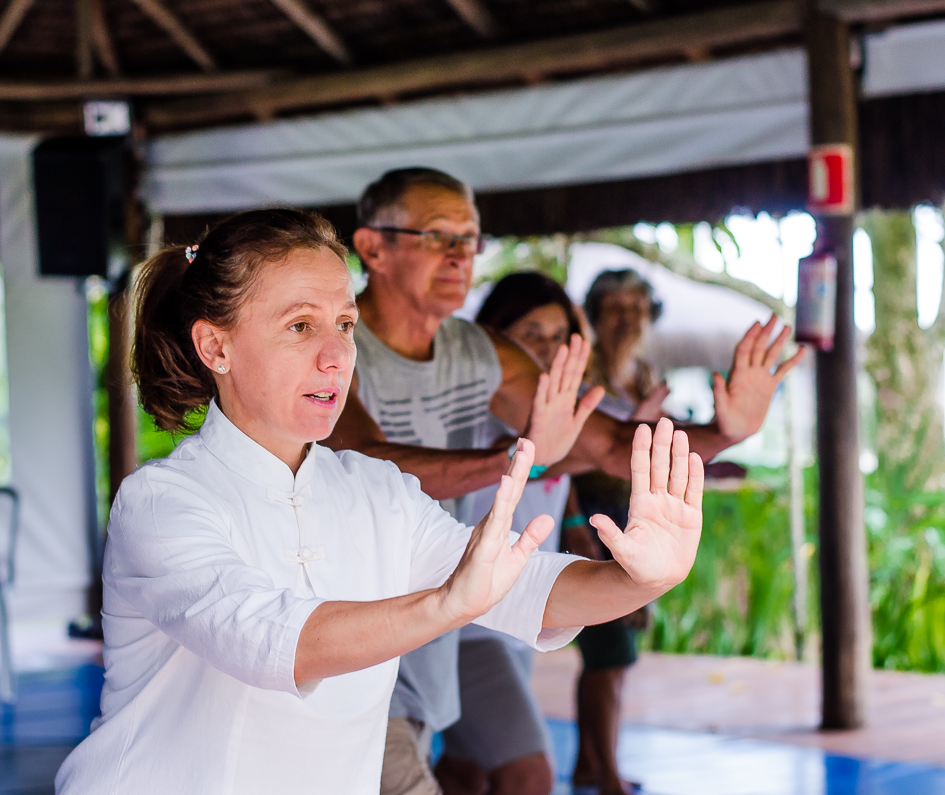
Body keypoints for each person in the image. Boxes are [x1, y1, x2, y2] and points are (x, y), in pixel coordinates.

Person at [53, 208, 706, 795]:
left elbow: (526, 586)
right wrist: (448, 602)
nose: (337, 355)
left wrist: (642, 578)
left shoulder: (377, 491)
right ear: (215, 346)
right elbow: (275, 641)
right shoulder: (161, 503)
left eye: (344, 323)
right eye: (300, 325)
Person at [324, 167, 805, 795]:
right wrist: (519, 459)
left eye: (469, 239)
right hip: (339, 629)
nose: (459, 255)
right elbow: (363, 461)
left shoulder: (482, 351)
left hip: (447, 620)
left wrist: (724, 431)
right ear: (372, 248)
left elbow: (606, 445)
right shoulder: (329, 338)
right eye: (437, 235)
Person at [435, 272, 587, 795]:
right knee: (529, 774)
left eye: (559, 334)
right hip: (469, 626)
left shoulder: (561, 417)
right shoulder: (472, 418)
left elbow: (566, 473)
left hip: (517, 618)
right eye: (532, 333)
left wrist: (574, 526)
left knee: (465, 770)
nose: (549, 348)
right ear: (495, 339)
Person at [568, 269, 671, 795]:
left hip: (635, 519)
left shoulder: (644, 373)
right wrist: (571, 524)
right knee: (607, 656)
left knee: (618, 655)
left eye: (637, 307)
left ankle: (593, 763)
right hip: (594, 519)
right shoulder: (582, 373)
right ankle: (604, 773)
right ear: (594, 312)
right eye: (616, 307)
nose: (628, 318)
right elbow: (558, 459)